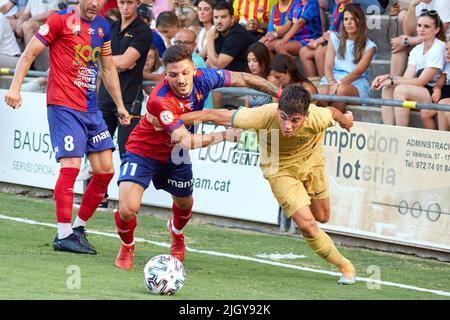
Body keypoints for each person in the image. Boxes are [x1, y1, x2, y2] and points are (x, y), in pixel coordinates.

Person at [113, 44, 282, 270]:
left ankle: (176, 232)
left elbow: (243, 78)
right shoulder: (160, 100)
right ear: (164, 75)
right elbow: (186, 141)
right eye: (173, 75)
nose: (181, 80)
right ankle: (127, 246)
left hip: (175, 155)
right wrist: (224, 135)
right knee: (127, 208)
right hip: (144, 151)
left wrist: (279, 93)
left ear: (194, 69)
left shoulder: (205, 77)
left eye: (185, 72)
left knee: (185, 205)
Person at [177, 84, 357, 285]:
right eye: (283, 117)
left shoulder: (317, 117)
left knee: (322, 217)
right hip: (278, 169)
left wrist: (345, 120)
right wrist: (171, 121)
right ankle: (345, 266)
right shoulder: (263, 115)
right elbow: (212, 114)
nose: (288, 125)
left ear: (305, 116)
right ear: (278, 110)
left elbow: (333, 113)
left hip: (312, 162)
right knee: (308, 225)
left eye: (295, 120)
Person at [3, 0, 131, 254]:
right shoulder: (59, 20)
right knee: (71, 167)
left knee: (105, 171)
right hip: (63, 106)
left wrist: (120, 105)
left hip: (91, 110)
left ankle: (78, 228)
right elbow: (29, 53)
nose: (96, 4)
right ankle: (63, 235)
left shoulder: (103, 26)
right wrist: (15, 88)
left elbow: (107, 68)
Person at [92, 0, 153, 208]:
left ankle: (127, 200)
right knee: (98, 147)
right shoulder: (110, 27)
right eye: (122, 2)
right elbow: (113, 62)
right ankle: (99, 195)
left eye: (129, 3)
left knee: (127, 150)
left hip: (129, 98)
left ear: (137, 4)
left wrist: (103, 60)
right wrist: (110, 62)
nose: (125, 7)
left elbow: (126, 62)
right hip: (104, 97)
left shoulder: (143, 31)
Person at [372, 9, 446, 128]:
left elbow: (420, 81)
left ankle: (401, 134)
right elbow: (406, 78)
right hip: (422, 90)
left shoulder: (439, 47)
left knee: (401, 90)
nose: (421, 29)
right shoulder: (417, 49)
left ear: (436, 30)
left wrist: (392, 79)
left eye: (426, 26)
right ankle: (389, 130)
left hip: (436, 94)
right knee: (388, 88)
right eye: (419, 25)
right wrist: (388, 78)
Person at [318, 3, 377, 112]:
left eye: (353, 19)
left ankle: (335, 124)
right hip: (333, 78)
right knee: (322, 93)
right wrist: (332, 82)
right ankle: (324, 125)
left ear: (360, 21)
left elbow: (358, 72)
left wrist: (338, 84)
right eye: (345, 19)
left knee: (341, 91)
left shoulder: (370, 46)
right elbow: (328, 66)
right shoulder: (334, 38)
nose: (348, 22)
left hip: (356, 82)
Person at [299, 0, 351, 77]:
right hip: (334, 41)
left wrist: (332, 38)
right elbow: (331, 31)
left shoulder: (354, 8)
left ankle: (325, 82)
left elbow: (350, 36)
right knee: (304, 52)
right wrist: (317, 41)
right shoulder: (338, 6)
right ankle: (314, 83)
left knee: (321, 52)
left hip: (346, 45)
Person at [205, 0, 256, 71]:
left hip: (247, 76)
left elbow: (218, 66)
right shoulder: (217, 31)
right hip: (232, 75)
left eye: (223, 17)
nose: (219, 21)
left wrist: (210, 39)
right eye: (216, 17)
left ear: (232, 19)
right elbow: (201, 56)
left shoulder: (237, 34)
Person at [245, 42, 273, 108]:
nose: (251, 65)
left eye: (255, 60)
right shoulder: (250, 81)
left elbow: (276, 109)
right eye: (249, 61)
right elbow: (246, 108)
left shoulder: (271, 81)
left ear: (264, 60)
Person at [436, 40, 450, 130]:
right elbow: (439, 83)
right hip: (446, 96)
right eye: (447, 49)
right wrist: (437, 89)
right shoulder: (448, 65)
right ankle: (443, 141)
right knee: (442, 104)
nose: (448, 53)